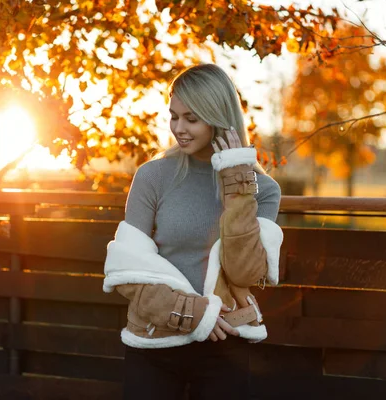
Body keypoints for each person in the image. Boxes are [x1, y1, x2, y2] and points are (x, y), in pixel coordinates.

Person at [104, 63, 283, 400]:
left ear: (218, 117)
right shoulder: (153, 177)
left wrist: (236, 183)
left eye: (191, 118)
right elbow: (126, 271)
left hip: (225, 346)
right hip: (155, 340)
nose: (179, 129)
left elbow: (244, 272)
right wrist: (193, 313)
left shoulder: (262, 189)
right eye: (174, 116)